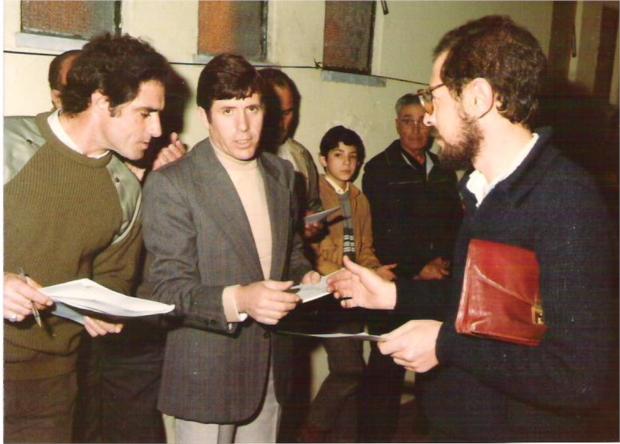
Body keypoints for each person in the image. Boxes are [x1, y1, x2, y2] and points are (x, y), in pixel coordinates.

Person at [329, 15, 617, 441]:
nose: (428, 119)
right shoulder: (482, 188)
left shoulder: (565, 199)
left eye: (434, 98)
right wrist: (393, 294)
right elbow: (477, 302)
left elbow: (579, 377)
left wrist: (445, 344)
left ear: (478, 97)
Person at [139, 53, 319, 443]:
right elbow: (167, 290)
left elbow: (289, 251)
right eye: (227, 111)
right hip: (207, 371)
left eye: (252, 109)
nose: (243, 127)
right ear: (204, 116)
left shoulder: (283, 175)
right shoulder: (174, 183)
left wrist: (306, 274)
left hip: (271, 368)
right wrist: (240, 299)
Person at [4, 33, 173, 443]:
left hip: (51, 383)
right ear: (101, 101)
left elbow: (114, 275)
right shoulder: (8, 145)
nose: (157, 129)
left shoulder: (126, 189)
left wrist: (100, 308)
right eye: (145, 113)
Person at [360, 93, 462, 441]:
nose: (416, 129)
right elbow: (381, 232)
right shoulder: (379, 169)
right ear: (396, 125)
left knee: (432, 370)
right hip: (396, 284)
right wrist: (418, 267)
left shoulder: (443, 169)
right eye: (408, 121)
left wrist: (444, 263)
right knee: (385, 371)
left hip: (437, 284)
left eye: (422, 121)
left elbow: (455, 223)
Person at [297, 126, 396, 442]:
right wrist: (343, 274)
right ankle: (313, 427)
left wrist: (376, 270)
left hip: (354, 292)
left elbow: (365, 249)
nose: (346, 162)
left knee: (353, 375)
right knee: (349, 368)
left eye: (353, 156)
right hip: (325, 293)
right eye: (338, 155)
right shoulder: (313, 195)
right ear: (323, 159)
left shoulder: (360, 199)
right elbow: (310, 252)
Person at [259, 68, 323, 239]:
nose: (281, 123)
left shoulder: (300, 155)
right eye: (274, 113)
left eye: (287, 113)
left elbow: (314, 205)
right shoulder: (241, 156)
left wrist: (312, 225)